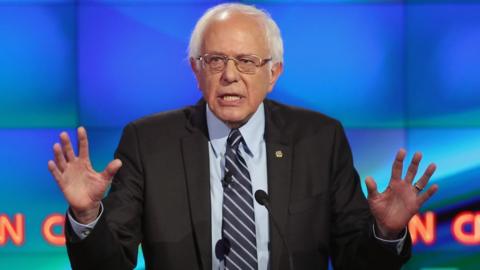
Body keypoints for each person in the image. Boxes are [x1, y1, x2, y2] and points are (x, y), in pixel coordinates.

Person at [47, 3, 438, 270]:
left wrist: (386, 232)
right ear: (196, 70)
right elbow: (109, 264)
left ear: (274, 72)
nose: (230, 75)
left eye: (247, 62)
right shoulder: (148, 143)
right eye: (215, 61)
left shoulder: (320, 139)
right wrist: (86, 216)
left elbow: (358, 262)